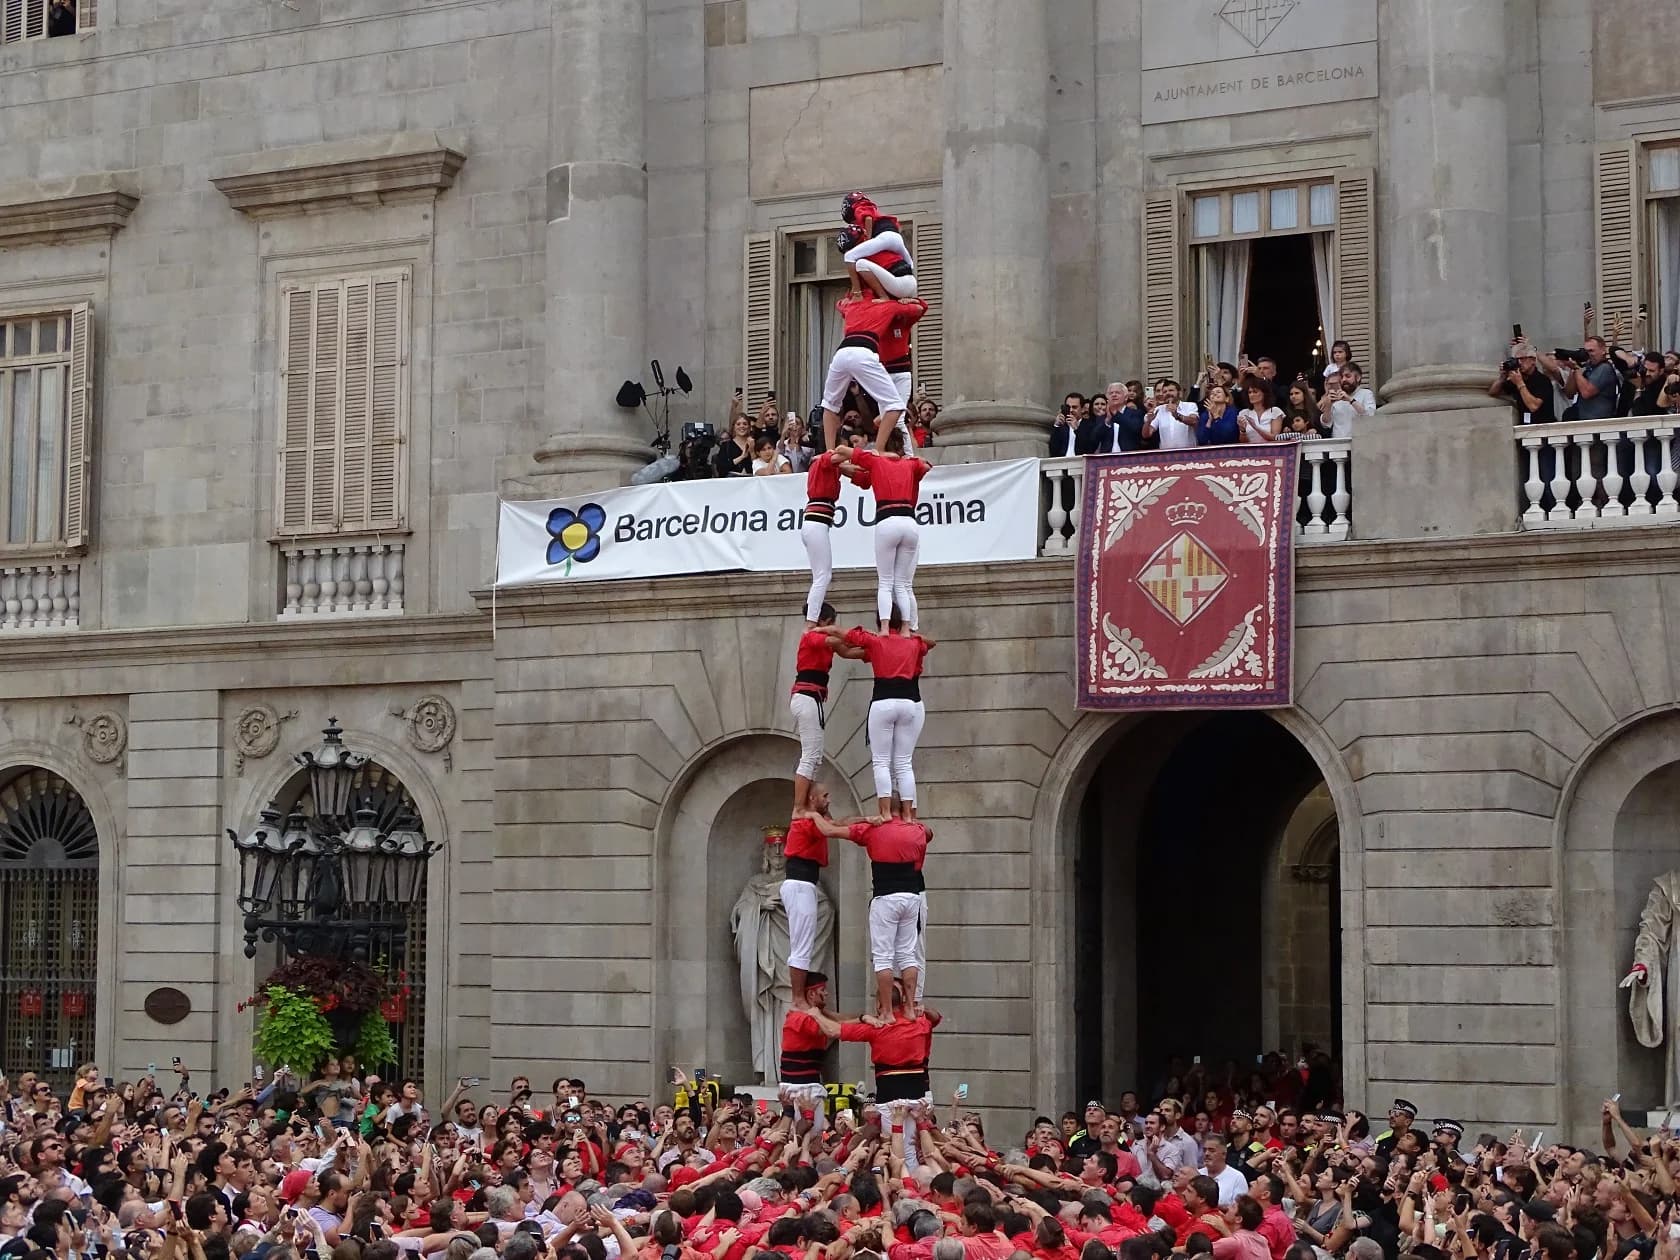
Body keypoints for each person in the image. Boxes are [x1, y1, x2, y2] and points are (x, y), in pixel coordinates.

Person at [829, 609, 935, 821]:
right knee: (904, 763)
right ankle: (909, 815)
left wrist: (821, 631)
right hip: (910, 702)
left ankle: (886, 812)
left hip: (884, 701)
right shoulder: (913, 643)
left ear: (881, 622)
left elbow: (845, 642)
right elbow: (931, 643)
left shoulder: (877, 641)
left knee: (881, 762)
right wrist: (910, 634)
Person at [845, 813, 933, 1018]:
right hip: (906, 897)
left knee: (894, 955)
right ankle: (899, 1005)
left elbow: (834, 827)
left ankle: (901, 1006)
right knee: (903, 954)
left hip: (901, 896)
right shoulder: (911, 831)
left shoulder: (908, 830)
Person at [820, 291, 927, 451]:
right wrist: (905, 301)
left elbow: (839, 304)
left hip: (841, 352)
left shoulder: (853, 304)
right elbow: (919, 308)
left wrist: (851, 298)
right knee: (895, 406)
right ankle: (878, 450)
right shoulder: (888, 305)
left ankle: (829, 451)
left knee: (829, 404)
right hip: (864, 351)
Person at [847, 428, 931, 631]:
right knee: (903, 584)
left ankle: (885, 628)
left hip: (887, 520)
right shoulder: (911, 464)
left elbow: (846, 454)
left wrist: (837, 463)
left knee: (886, 582)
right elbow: (926, 465)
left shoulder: (876, 461)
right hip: (909, 521)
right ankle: (908, 629)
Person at [789, 602, 866, 814]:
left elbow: (847, 652)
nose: (833, 627)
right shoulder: (811, 636)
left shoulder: (824, 639)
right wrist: (860, 636)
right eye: (831, 623)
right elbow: (836, 641)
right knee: (810, 755)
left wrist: (873, 649)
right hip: (806, 698)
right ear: (823, 622)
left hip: (812, 699)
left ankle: (805, 803)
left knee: (815, 756)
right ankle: (799, 807)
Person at [841, 193, 917, 300]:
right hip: (897, 238)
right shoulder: (874, 210)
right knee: (910, 263)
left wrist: (868, 238)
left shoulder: (859, 208)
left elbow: (868, 219)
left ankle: (857, 293)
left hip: (885, 237)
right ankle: (913, 291)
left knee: (849, 256)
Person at [1142, 380, 1201, 449]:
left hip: (1188, 453)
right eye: (1165, 392)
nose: (1168, 393)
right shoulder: (1159, 410)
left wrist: (1178, 416)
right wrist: (1148, 422)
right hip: (1166, 454)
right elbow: (1146, 435)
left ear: (1179, 392)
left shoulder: (1190, 406)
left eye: (1171, 390)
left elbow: (1194, 421)